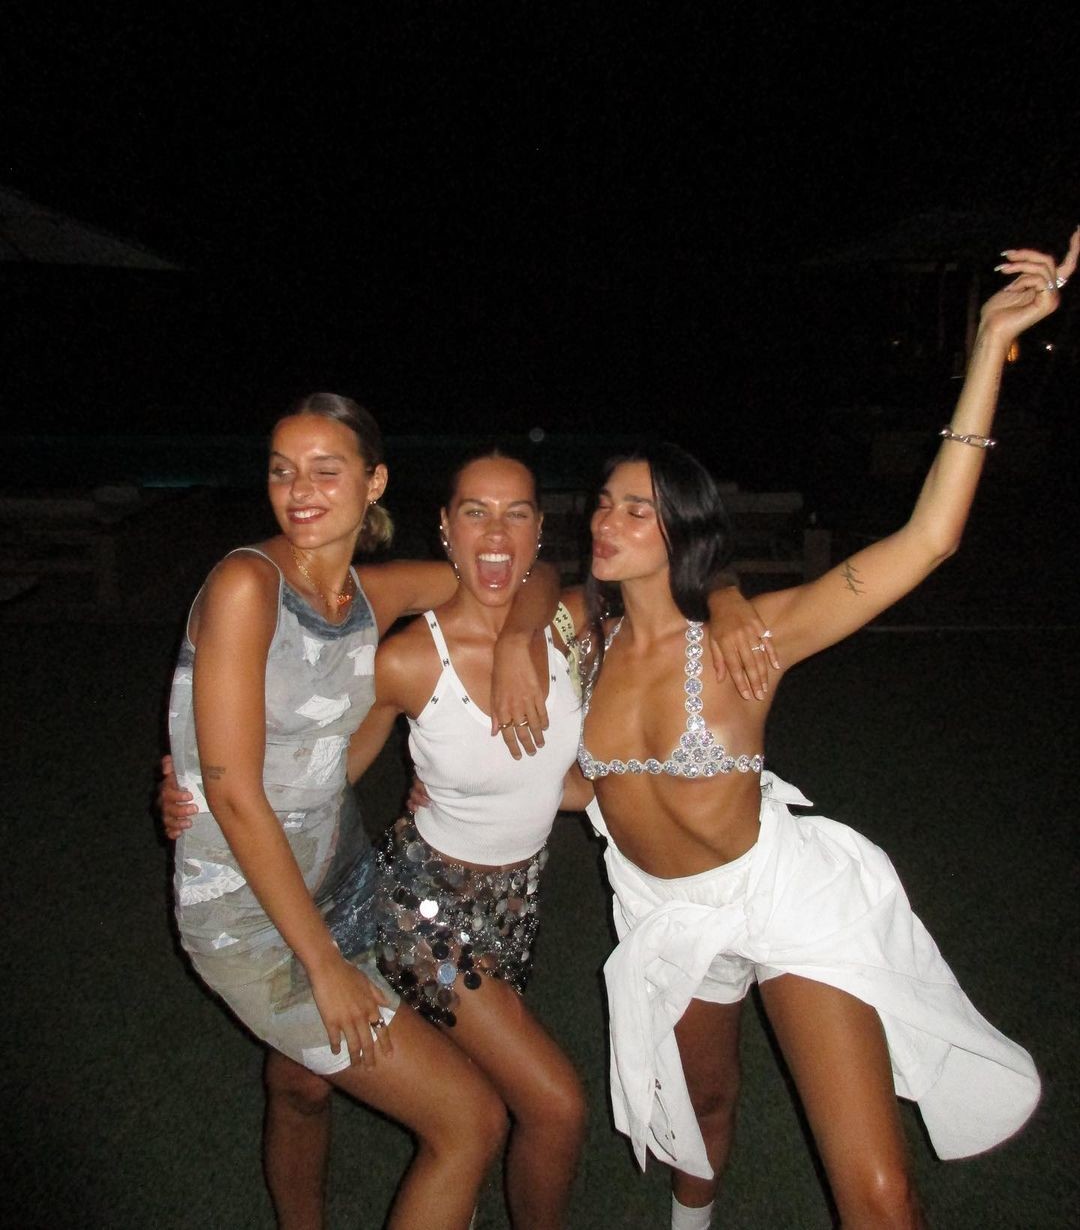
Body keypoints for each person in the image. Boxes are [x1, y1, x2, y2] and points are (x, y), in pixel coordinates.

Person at [563, 232, 1075, 1229]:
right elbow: (587, 772)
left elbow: (928, 540)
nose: (606, 523)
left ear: (682, 529)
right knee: (704, 1107)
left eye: (636, 511)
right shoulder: (580, 638)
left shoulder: (748, 638)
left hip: (782, 897)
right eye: (606, 505)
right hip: (664, 913)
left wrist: (988, 350)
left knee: (877, 1193)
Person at [163, 415, 773, 1229]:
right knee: (544, 1107)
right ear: (444, 529)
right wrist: (202, 782)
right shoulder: (403, 658)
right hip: (425, 909)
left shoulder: (569, 624)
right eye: (474, 513)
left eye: (517, 513)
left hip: (508, 907)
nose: (496, 532)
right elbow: (323, 763)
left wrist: (719, 597)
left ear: (540, 528)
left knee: (302, 1078)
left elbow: (637, 577)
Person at [166, 393, 568, 1230]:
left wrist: (520, 640)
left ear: (373, 482)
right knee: (469, 1122)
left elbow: (514, 572)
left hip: (344, 881)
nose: (299, 490)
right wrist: (322, 965)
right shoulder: (247, 585)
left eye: (326, 470)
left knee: (302, 1082)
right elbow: (236, 795)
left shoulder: (369, 594)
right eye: (283, 471)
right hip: (250, 915)